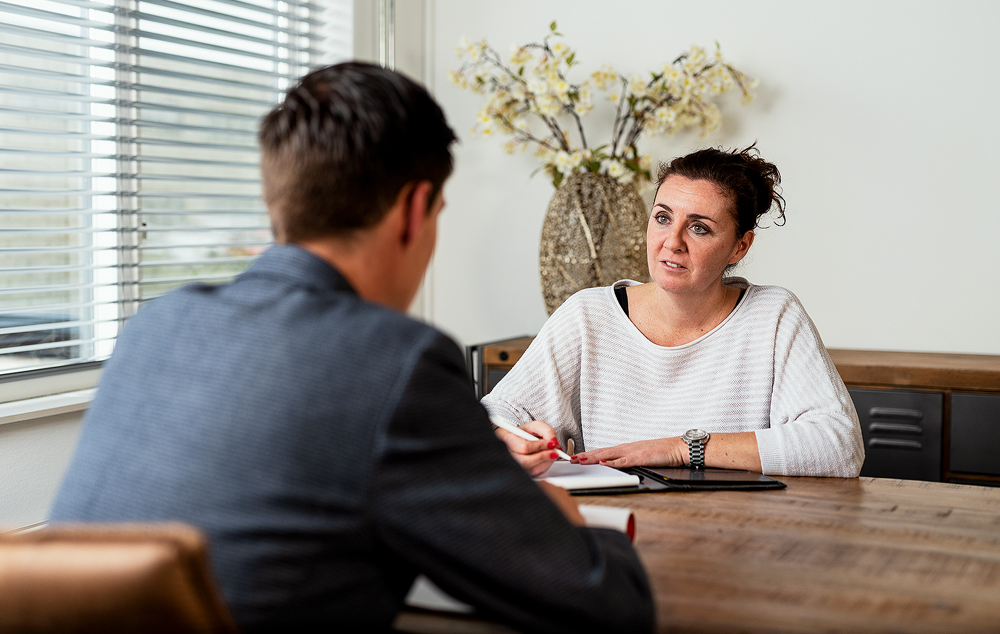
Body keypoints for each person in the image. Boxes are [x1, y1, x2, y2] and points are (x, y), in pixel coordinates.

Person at [49, 63, 654, 633]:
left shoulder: (156, 324)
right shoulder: (397, 361)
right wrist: (569, 523)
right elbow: (610, 604)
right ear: (414, 210)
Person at [483, 146, 865, 479]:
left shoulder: (774, 317)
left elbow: (840, 445)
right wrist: (511, 440)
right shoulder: (588, 316)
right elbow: (496, 412)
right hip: (616, 527)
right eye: (663, 218)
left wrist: (680, 448)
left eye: (699, 228)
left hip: (734, 530)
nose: (672, 242)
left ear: (740, 247)